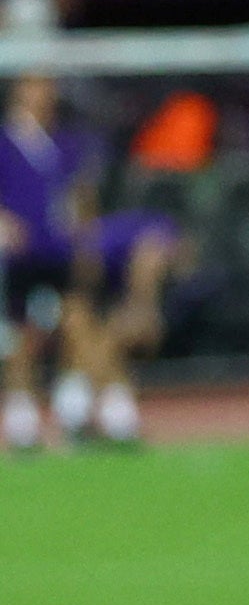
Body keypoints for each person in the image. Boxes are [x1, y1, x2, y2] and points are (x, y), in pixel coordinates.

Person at [0, 74, 175, 448]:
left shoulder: (65, 144)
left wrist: (83, 239)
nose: (44, 93)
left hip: (59, 255)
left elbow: (80, 201)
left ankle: (102, 412)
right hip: (18, 260)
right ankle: (22, 422)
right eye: (35, 85)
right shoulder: (5, 143)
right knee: (21, 338)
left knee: (79, 325)